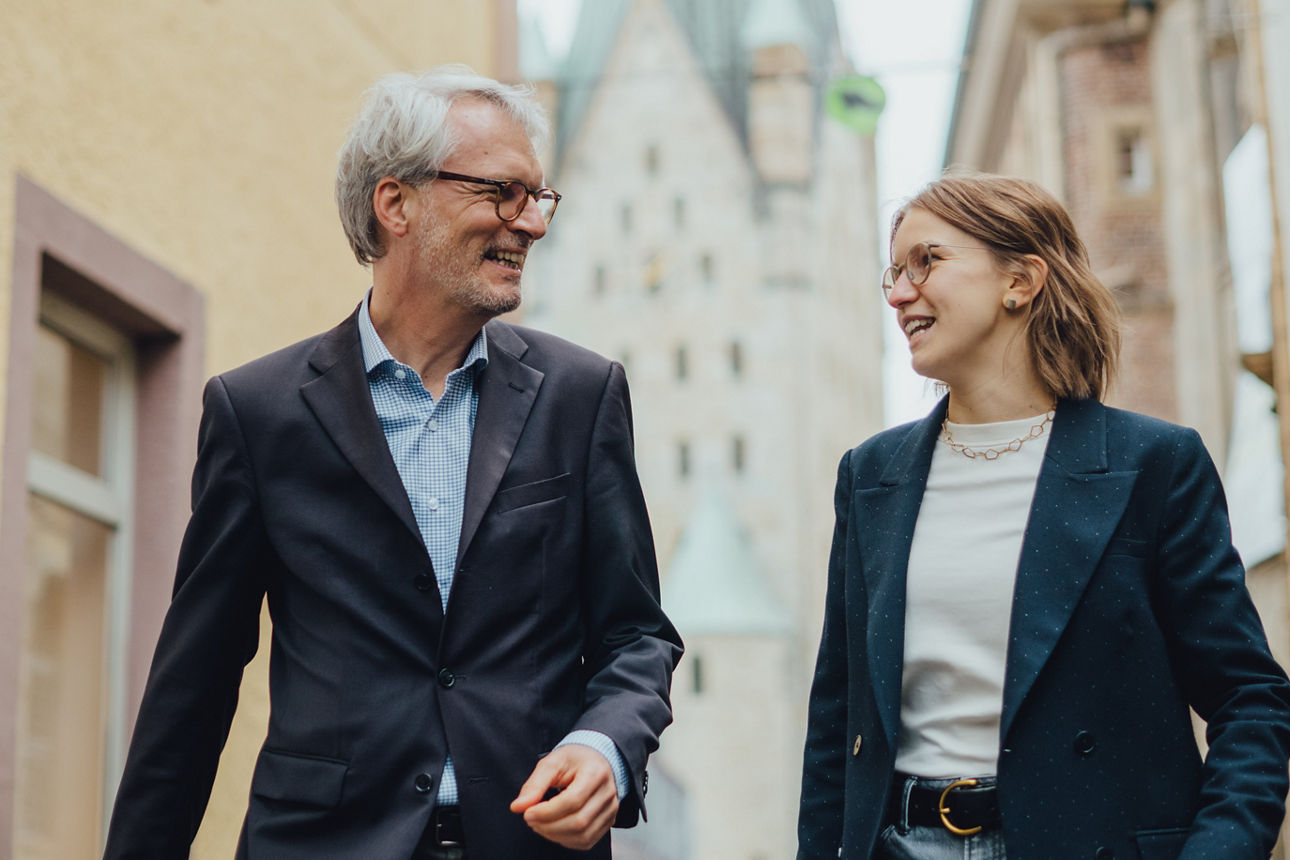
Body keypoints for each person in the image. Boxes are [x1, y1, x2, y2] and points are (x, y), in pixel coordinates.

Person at [103, 66, 682, 860]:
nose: (531, 223)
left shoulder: (582, 397)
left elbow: (637, 635)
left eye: (538, 197)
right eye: (502, 193)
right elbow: (192, 687)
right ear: (396, 203)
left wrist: (605, 746)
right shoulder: (258, 412)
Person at [797, 171, 1290, 860]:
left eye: (927, 262)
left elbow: (1251, 701)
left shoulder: (1154, 464)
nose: (901, 293)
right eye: (893, 274)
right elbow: (836, 724)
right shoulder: (870, 476)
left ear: (1020, 281)